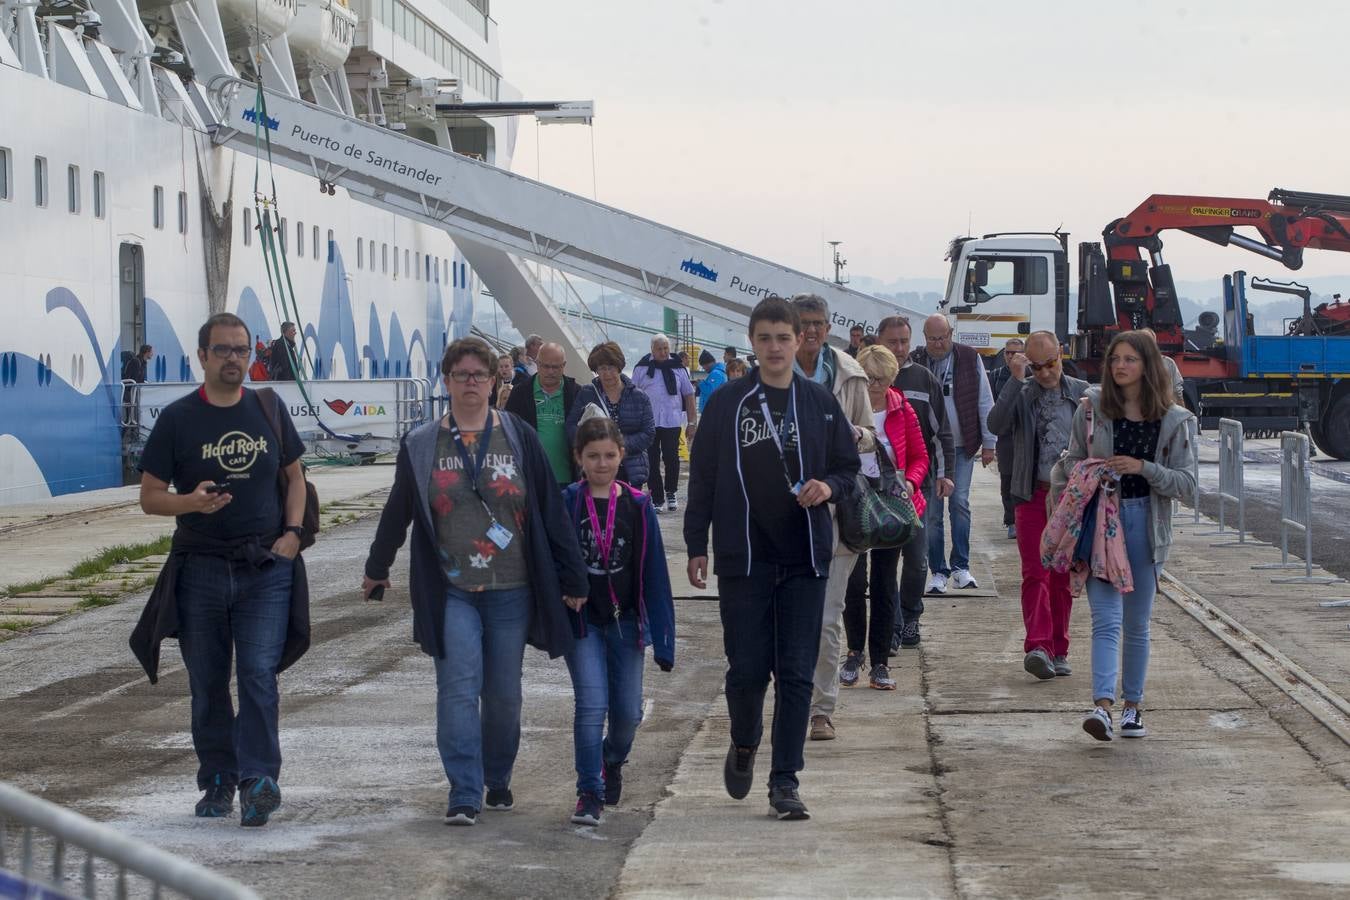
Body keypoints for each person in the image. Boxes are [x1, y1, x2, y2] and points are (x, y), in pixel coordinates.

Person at [361, 337, 589, 826]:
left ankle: (497, 775)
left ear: (495, 380)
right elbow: (399, 508)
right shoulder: (422, 444)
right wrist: (378, 566)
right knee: (458, 687)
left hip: (513, 588)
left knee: (504, 694)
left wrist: (574, 576)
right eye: (460, 375)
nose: (470, 383)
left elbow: (548, 507)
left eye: (479, 375)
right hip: (451, 588)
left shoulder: (518, 434)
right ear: (446, 380)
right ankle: (463, 789)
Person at [130, 312, 309, 828]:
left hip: (264, 566)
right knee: (208, 681)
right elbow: (149, 498)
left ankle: (258, 781)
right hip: (201, 567)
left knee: (258, 674)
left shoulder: (268, 408)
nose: (234, 358)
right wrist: (190, 502)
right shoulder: (179, 419)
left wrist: (291, 537)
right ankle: (216, 779)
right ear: (202, 356)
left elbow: (295, 478)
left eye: (242, 349)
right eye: (224, 350)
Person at [684, 295, 859, 821]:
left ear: (801, 339)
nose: (776, 347)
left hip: (805, 557)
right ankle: (744, 741)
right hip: (744, 557)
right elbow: (705, 478)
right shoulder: (727, 403)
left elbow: (849, 471)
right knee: (746, 672)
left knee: (797, 674)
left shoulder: (820, 403)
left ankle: (785, 781)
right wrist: (697, 545)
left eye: (785, 337)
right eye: (766, 338)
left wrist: (827, 487)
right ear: (752, 341)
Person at [1050, 330, 1195, 741]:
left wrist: (1143, 468)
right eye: (1115, 359)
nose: (1120, 367)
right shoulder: (1092, 409)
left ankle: (1133, 706)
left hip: (1146, 525)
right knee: (1105, 619)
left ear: (1148, 365)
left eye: (1130, 359)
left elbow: (1187, 484)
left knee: (1137, 622)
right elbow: (1073, 461)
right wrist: (1072, 496)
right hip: (1099, 523)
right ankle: (1102, 707)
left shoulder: (1174, 420)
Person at [560, 415, 675, 827]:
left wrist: (664, 638)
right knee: (591, 705)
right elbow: (554, 561)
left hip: (626, 621)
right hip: (583, 624)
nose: (602, 463)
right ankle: (588, 791)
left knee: (627, 714)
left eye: (610, 455)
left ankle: (611, 759)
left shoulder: (638, 505)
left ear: (622, 455)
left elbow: (656, 574)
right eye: (593, 456)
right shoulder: (568, 502)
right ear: (579, 458)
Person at [790, 294, 874, 742]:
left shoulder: (848, 374)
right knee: (789, 621)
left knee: (826, 617)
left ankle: (822, 709)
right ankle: (792, 702)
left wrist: (850, 434)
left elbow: (870, 437)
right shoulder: (772, 371)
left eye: (819, 323)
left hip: (836, 512)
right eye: (805, 323)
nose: (812, 331)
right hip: (781, 515)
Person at [829, 347, 928, 719]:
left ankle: (881, 660)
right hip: (854, 504)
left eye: (882, 381)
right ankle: (854, 652)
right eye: (869, 379)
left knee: (886, 583)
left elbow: (920, 457)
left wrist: (911, 483)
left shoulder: (903, 410)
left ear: (892, 380)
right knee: (854, 583)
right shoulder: (848, 408)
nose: (874, 387)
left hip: (891, 507)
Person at [987, 331, 1089, 681]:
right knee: (1035, 572)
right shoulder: (1024, 391)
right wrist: (1017, 382)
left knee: (1062, 574)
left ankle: (1059, 649)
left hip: (1069, 499)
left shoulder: (1082, 393)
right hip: (1031, 493)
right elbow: (996, 424)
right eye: (1038, 366)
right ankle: (1038, 646)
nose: (1046, 373)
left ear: (1061, 354)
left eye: (1051, 364)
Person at [876, 316, 953, 652]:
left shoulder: (924, 379)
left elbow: (940, 432)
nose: (899, 348)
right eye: (892, 341)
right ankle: (891, 626)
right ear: (879, 340)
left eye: (904, 341)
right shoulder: (867, 380)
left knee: (917, 558)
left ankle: (911, 616)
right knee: (884, 562)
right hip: (876, 491)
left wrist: (944, 473)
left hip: (916, 486)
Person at [912, 314, 995, 593]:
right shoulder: (917, 361)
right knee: (933, 512)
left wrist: (989, 441)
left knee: (959, 502)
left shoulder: (970, 358)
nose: (938, 343)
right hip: (929, 448)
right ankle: (938, 570)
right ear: (924, 338)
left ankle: (961, 566)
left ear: (951, 333)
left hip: (962, 445)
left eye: (943, 337)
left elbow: (985, 399)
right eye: (932, 339)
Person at [566, 342, 656, 491]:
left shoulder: (639, 397)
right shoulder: (587, 393)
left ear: (619, 367)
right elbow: (571, 426)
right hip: (596, 469)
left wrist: (618, 445)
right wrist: (592, 445)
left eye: (611, 367)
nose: (607, 373)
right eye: (601, 368)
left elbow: (648, 433)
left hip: (631, 470)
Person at [631, 335, 696, 512]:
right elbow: (631, 394)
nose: (663, 352)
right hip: (648, 422)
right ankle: (656, 497)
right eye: (659, 348)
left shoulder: (678, 368)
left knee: (672, 458)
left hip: (672, 420)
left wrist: (692, 422)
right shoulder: (641, 368)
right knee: (651, 460)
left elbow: (689, 395)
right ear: (652, 349)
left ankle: (671, 492)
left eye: (666, 348)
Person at [504, 342, 580, 485]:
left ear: (563, 366)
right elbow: (509, 432)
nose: (550, 371)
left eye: (555, 367)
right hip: (531, 480)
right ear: (537, 364)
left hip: (569, 481)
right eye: (546, 366)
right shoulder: (520, 393)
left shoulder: (576, 393)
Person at [990, 338, 1026, 540]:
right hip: (1005, 436)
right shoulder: (996, 376)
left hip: (1026, 434)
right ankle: (1011, 520)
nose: (1012, 356)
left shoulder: (1031, 376)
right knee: (1007, 479)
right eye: (1009, 353)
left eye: (1016, 352)